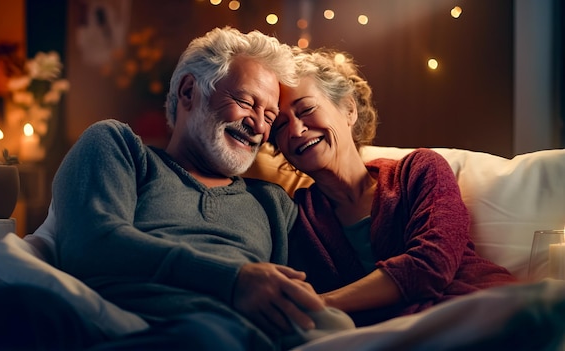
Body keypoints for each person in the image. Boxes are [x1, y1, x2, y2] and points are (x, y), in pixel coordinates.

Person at [48, 27, 355, 350]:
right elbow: (90, 246)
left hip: (217, 337)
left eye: (269, 116)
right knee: (7, 306)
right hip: (106, 325)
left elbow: (329, 297)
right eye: (246, 102)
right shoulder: (120, 149)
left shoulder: (272, 203)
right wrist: (232, 280)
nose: (259, 127)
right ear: (189, 91)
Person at [268, 48, 518, 327]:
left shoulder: (420, 170)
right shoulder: (297, 217)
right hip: (389, 339)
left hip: (480, 311)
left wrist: (323, 303)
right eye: (279, 125)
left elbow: (431, 265)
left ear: (348, 109)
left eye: (306, 110)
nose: (295, 130)